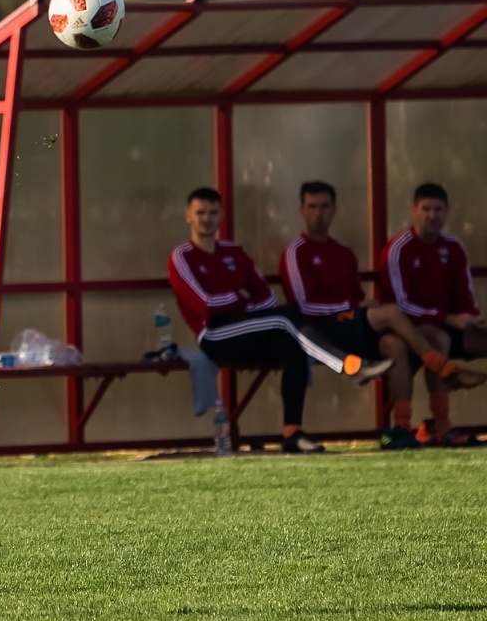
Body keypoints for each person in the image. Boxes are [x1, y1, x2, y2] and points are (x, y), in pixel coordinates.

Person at [168, 187, 389, 454]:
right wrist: (240, 298)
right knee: (288, 317)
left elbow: (266, 296)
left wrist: (240, 303)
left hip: (249, 326)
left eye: (213, 212)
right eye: (200, 213)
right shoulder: (181, 256)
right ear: (188, 216)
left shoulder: (233, 251)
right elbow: (205, 306)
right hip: (216, 334)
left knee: (292, 345)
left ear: (221, 215)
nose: (207, 218)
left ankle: (292, 433)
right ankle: (351, 367)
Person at [279, 180, 477, 450]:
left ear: (334, 209)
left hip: (351, 325)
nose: (319, 214)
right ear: (301, 210)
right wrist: (353, 306)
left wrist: (359, 305)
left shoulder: (343, 252)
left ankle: (402, 427)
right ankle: (444, 368)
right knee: (391, 312)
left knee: (394, 344)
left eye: (325, 206)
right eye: (312, 207)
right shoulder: (295, 251)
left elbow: (355, 295)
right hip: (319, 332)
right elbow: (303, 306)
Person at [378, 182, 487, 447]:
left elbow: (465, 294)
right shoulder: (397, 248)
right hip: (410, 327)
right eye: (426, 209)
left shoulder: (454, 246)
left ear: (447, 211)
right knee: (438, 339)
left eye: (438, 209)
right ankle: (436, 426)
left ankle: (436, 420)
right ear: (413, 210)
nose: (432, 215)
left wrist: (474, 318)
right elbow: (399, 305)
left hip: (446, 323)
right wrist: (446, 318)